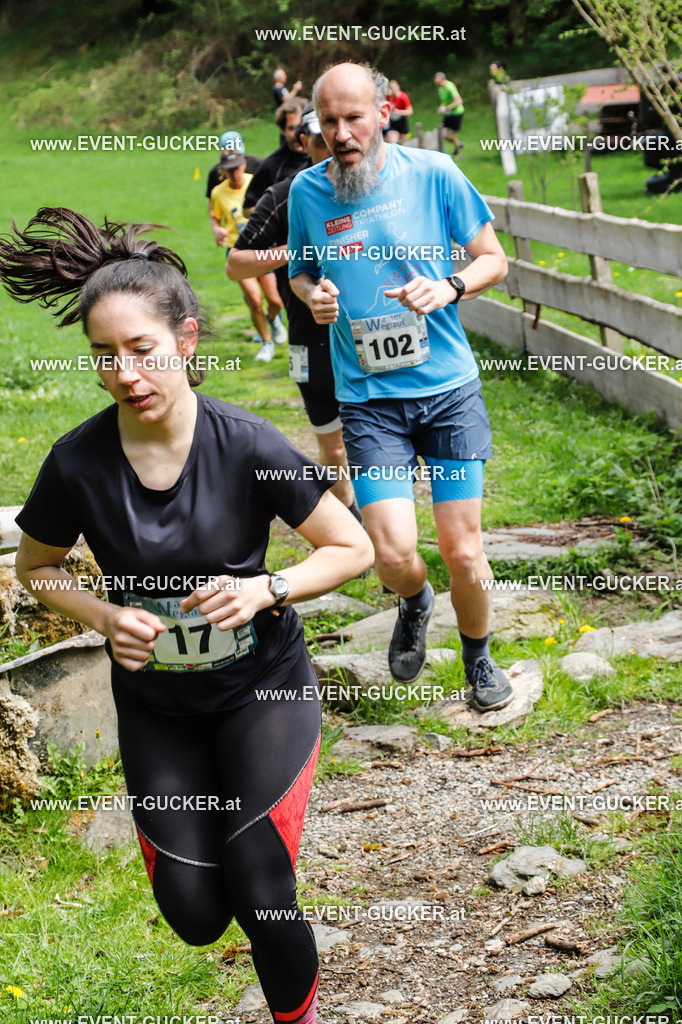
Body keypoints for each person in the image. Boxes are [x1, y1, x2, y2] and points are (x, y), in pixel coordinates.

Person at [0, 207, 373, 1024]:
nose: (127, 372)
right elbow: (36, 569)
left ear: (188, 339)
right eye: (106, 357)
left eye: (142, 349)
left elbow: (351, 549)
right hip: (158, 707)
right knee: (197, 914)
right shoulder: (78, 461)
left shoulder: (245, 444)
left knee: (263, 884)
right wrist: (102, 616)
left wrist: (267, 589)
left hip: (262, 691)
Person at [288, 62, 514, 712]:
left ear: (383, 113)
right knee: (390, 552)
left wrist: (449, 286)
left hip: (446, 392)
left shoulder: (435, 175)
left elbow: (494, 258)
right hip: (368, 401)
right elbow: (302, 274)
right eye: (328, 121)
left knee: (463, 551)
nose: (341, 132)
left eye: (353, 117)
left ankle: (478, 658)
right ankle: (414, 599)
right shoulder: (308, 193)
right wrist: (315, 297)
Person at [227, 105, 360, 520]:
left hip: (370, 332)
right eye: (320, 138)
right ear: (304, 142)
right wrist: (295, 252)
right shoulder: (286, 194)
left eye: (339, 134)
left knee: (377, 436)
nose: (333, 144)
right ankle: (352, 524)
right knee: (333, 445)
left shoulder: (373, 187)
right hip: (310, 337)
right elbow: (237, 263)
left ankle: (384, 526)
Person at [210, 146, 287, 362]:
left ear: (244, 163)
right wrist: (218, 229)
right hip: (239, 251)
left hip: (263, 249)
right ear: (223, 170)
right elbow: (215, 216)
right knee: (254, 300)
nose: (234, 173)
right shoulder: (218, 192)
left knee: (275, 301)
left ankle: (272, 320)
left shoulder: (258, 182)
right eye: (229, 169)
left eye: (236, 167)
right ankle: (266, 343)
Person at [244, 98, 309, 215]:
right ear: (282, 130)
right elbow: (247, 209)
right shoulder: (272, 166)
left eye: (301, 126)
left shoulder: (326, 156)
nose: (297, 134)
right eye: (291, 128)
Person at [205, 130, 262, 229]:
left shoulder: (258, 164)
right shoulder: (215, 173)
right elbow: (212, 201)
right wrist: (216, 228)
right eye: (230, 169)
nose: (235, 173)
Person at [434, 70, 465, 157]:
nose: (436, 82)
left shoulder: (449, 87)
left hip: (457, 113)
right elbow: (446, 101)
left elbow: (459, 101)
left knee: (452, 135)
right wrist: (441, 107)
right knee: (442, 134)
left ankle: (458, 153)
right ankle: (458, 144)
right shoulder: (440, 89)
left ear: (443, 79)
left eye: (438, 80)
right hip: (448, 114)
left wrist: (446, 108)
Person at [386, 79, 413, 144]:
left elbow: (410, 111)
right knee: (392, 141)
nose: (393, 89)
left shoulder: (403, 97)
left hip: (402, 121)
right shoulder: (388, 97)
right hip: (392, 122)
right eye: (391, 88)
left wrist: (399, 112)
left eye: (394, 87)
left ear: (398, 87)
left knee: (404, 143)